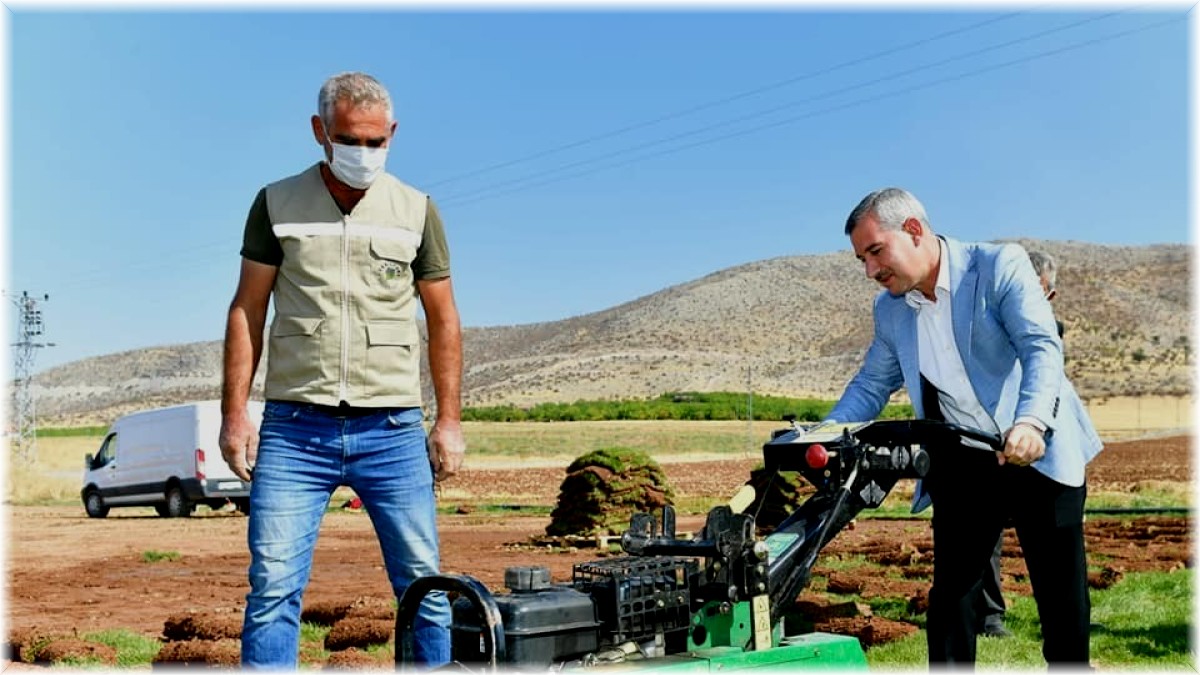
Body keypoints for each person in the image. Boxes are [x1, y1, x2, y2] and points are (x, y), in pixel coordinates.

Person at [219, 71, 465, 669]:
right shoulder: (276, 202)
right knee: (273, 587)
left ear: (393, 135)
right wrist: (235, 416)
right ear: (319, 131)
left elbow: (444, 318)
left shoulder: (416, 209)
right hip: (295, 430)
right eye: (351, 139)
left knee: (424, 589)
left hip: (393, 431)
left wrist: (449, 422)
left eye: (377, 142)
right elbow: (247, 309)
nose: (365, 153)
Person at [826, 188, 1102, 668]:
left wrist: (1032, 422)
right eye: (861, 260)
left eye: (875, 252)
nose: (870, 271)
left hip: (1038, 446)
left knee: (1061, 598)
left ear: (913, 230)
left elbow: (1041, 348)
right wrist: (825, 432)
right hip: (967, 462)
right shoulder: (891, 309)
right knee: (952, 595)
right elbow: (872, 382)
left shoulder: (997, 267)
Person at [972, 249, 1063, 640]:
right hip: (990, 447)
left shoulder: (1049, 332)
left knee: (1049, 542)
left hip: (1037, 450)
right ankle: (990, 616)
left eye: (1035, 288)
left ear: (1049, 294)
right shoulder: (986, 323)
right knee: (986, 538)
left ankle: (1057, 620)